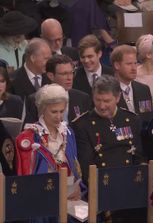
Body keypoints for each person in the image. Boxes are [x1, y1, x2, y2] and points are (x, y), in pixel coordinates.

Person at [71, 75, 145, 222]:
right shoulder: (82, 124)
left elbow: (139, 156)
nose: (102, 105)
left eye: (106, 101)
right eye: (97, 100)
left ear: (117, 98)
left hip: (131, 186)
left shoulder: (131, 119)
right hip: (102, 189)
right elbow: (86, 166)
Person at [15, 84, 85, 222]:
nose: (59, 117)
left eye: (62, 111)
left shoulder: (68, 133)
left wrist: (77, 189)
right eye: (54, 112)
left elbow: (75, 168)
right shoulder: (29, 137)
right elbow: (26, 180)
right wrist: (57, 193)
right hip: (42, 200)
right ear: (42, 110)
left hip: (70, 197)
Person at [25, 55, 91, 124]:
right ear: (51, 76)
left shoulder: (82, 98)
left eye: (71, 73)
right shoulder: (36, 100)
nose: (69, 78)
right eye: (64, 74)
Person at [111, 44, 153, 126]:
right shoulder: (108, 91)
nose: (134, 68)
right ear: (117, 65)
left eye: (135, 63)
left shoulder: (143, 90)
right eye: (129, 64)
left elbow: (148, 118)